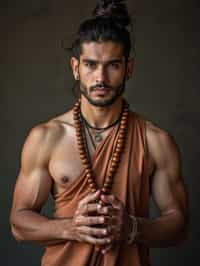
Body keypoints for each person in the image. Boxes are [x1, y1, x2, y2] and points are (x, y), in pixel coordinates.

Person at [10, 0, 189, 265]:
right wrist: (71, 228)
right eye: (91, 65)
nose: (100, 78)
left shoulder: (155, 142)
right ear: (75, 68)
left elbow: (179, 226)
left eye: (113, 65)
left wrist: (132, 228)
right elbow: (19, 223)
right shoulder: (47, 137)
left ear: (128, 68)